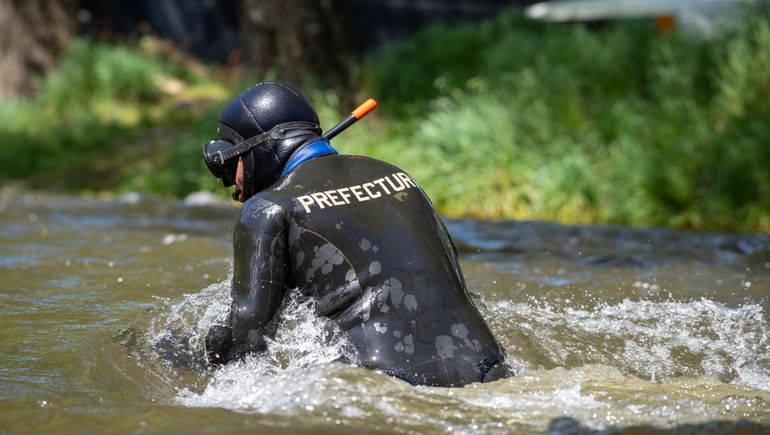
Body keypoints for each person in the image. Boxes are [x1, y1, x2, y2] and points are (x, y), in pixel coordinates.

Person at [202, 81, 511, 387]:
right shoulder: (398, 177)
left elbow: (248, 338)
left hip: (388, 385)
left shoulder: (267, 208)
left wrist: (194, 357)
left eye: (229, 166)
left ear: (257, 151)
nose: (233, 186)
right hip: (491, 369)